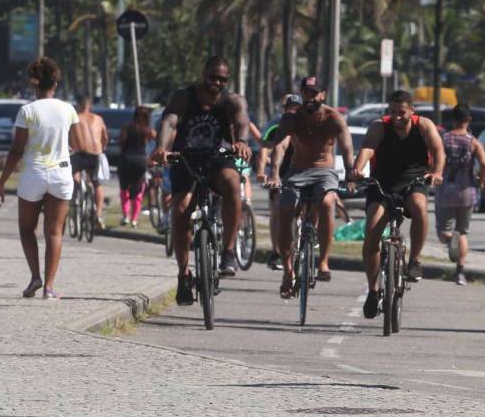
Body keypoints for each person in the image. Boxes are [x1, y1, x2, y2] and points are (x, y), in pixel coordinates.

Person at [152, 56, 252, 306]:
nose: (216, 83)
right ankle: (184, 273)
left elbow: (242, 122)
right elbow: (169, 120)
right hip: (186, 159)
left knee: (231, 183)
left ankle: (228, 252)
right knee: (181, 209)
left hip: (218, 159)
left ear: (227, 80)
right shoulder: (184, 97)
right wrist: (161, 148)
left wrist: (241, 141)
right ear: (203, 74)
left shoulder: (232, 100)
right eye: (212, 78)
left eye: (222, 79)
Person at [351, 89, 445, 319]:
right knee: (372, 231)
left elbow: (438, 150)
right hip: (381, 182)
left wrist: (437, 172)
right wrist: (358, 168)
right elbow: (368, 148)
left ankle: (414, 260)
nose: (397, 117)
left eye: (401, 112)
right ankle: (373, 291)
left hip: (413, 180)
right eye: (392, 112)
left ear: (411, 111)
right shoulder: (379, 127)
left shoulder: (424, 126)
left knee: (420, 207)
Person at [0, 58, 83, 300]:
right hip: (61, 174)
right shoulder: (68, 109)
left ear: (34, 84)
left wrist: (2, 182)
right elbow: (77, 143)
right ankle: (50, 287)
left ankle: (35, 276)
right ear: (55, 83)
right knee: (54, 232)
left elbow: (16, 150)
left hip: (33, 174)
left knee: (26, 228)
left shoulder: (27, 111)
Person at [261, 76, 356, 299]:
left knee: (326, 202)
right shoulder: (292, 118)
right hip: (297, 172)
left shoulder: (333, 117)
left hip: (324, 171)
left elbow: (347, 146)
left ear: (322, 94)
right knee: (284, 208)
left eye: (314, 93)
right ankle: (287, 270)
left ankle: (323, 261)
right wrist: (274, 174)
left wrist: (351, 176)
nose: (310, 97)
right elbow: (280, 146)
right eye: (306, 93)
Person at [435, 104, 485, 286]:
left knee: (443, 233)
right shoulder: (473, 142)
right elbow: (484, 163)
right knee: (463, 232)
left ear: (453, 119)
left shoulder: (444, 139)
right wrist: (480, 180)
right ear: (469, 120)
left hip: (445, 192)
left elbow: (434, 159)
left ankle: (451, 239)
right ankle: (460, 273)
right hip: (467, 192)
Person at [257, 94, 301, 271]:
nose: (294, 111)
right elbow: (264, 151)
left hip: (301, 172)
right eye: (291, 108)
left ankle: (306, 242)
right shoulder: (275, 125)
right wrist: (261, 173)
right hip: (279, 174)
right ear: (284, 109)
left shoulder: (306, 124)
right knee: (276, 211)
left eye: (297, 108)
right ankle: (276, 252)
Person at [70, 95, 109, 231]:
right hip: (96, 154)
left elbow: (68, 137)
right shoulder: (98, 119)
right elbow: (105, 138)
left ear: (78, 106)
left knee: (72, 176)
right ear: (90, 106)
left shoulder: (74, 118)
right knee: (97, 183)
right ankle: (98, 214)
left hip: (79, 154)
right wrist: (102, 148)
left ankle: (76, 195)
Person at [118, 106, 155, 227]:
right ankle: (134, 219)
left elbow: (121, 143)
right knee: (138, 190)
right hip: (141, 161)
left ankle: (126, 215)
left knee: (125, 189)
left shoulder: (126, 127)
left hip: (126, 159)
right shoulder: (148, 130)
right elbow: (158, 139)